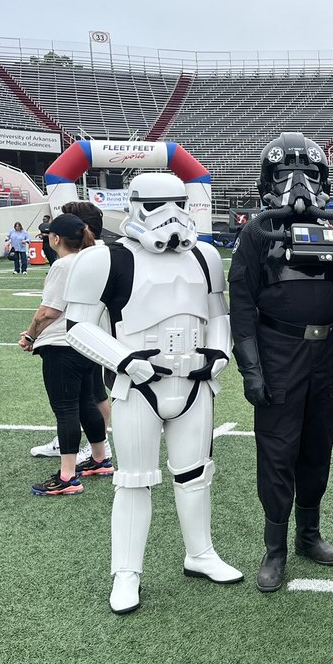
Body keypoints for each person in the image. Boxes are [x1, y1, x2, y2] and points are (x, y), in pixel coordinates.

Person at [65, 171, 242, 614]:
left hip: (195, 383)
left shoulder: (205, 256)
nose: (169, 216)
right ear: (134, 205)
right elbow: (77, 327)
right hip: (137, 384)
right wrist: (124, 360)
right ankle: (127, 572)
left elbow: (218, 313)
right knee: (134, 480)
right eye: (155, 205)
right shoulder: (104, 259)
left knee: (196, 473)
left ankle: (200, 553)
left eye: (177, 203)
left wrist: (219, 352)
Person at [230, 134, 333, 593]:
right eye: (285, 173)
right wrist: (251, 368)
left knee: (317, 446)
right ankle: (275, 547)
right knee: (278, 451)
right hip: (279, 351)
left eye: (307, 172)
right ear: (269, 179)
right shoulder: (256, 232)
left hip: (325, 353)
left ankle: (309, 533)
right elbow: (241, 305)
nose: (298, 183)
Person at [19, 214, 111, 495]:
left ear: (56, 238)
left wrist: (31, 334)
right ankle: (99, 458)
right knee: (87, 402)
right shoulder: (95, 259)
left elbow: (50, 311)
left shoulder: (63, 264)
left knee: (66, 408)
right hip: (88, 340)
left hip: (62, 343)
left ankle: (68, 476)